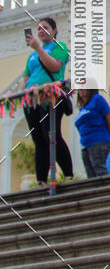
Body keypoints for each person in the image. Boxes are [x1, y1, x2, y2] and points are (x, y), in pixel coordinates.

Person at [23, 18, 73, 186]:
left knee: (51, 134)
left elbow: (55, 67)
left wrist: (38, 48)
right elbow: (26, 77)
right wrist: (17, 93)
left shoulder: (59, 47)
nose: (41, 30)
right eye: (38, 28)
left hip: (51, 96)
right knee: (38, 139)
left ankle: (68, 174)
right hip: (32, 99)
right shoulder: (31, 56)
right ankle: (41, 180)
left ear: (54, 30)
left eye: (45, 27)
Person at [74, 89, 110, 178]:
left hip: (98, 141)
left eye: (83, 88)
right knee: (90, 175)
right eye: (79, 89)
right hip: (85, 145)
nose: (81, 91)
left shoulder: (97, 99)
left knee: (100, 171)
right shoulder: (83, 108)